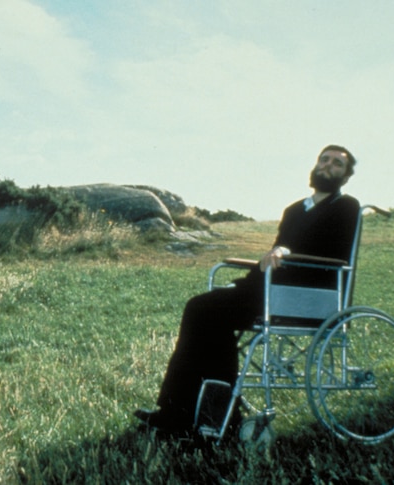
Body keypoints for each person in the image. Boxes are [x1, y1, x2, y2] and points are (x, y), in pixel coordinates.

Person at [135, 145, 361, 434]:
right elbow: (275, 254)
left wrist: (284, 252)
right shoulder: (294, 210)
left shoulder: (346, 207)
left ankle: (216, 415)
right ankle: (178, 410)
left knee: (209, 312)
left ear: (346, 176)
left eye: (337, 164)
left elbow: (332, 253)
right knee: (200, 309)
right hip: (269, 288)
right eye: (324, 160)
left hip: (307, 293)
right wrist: (272, 258)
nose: (327, 166)